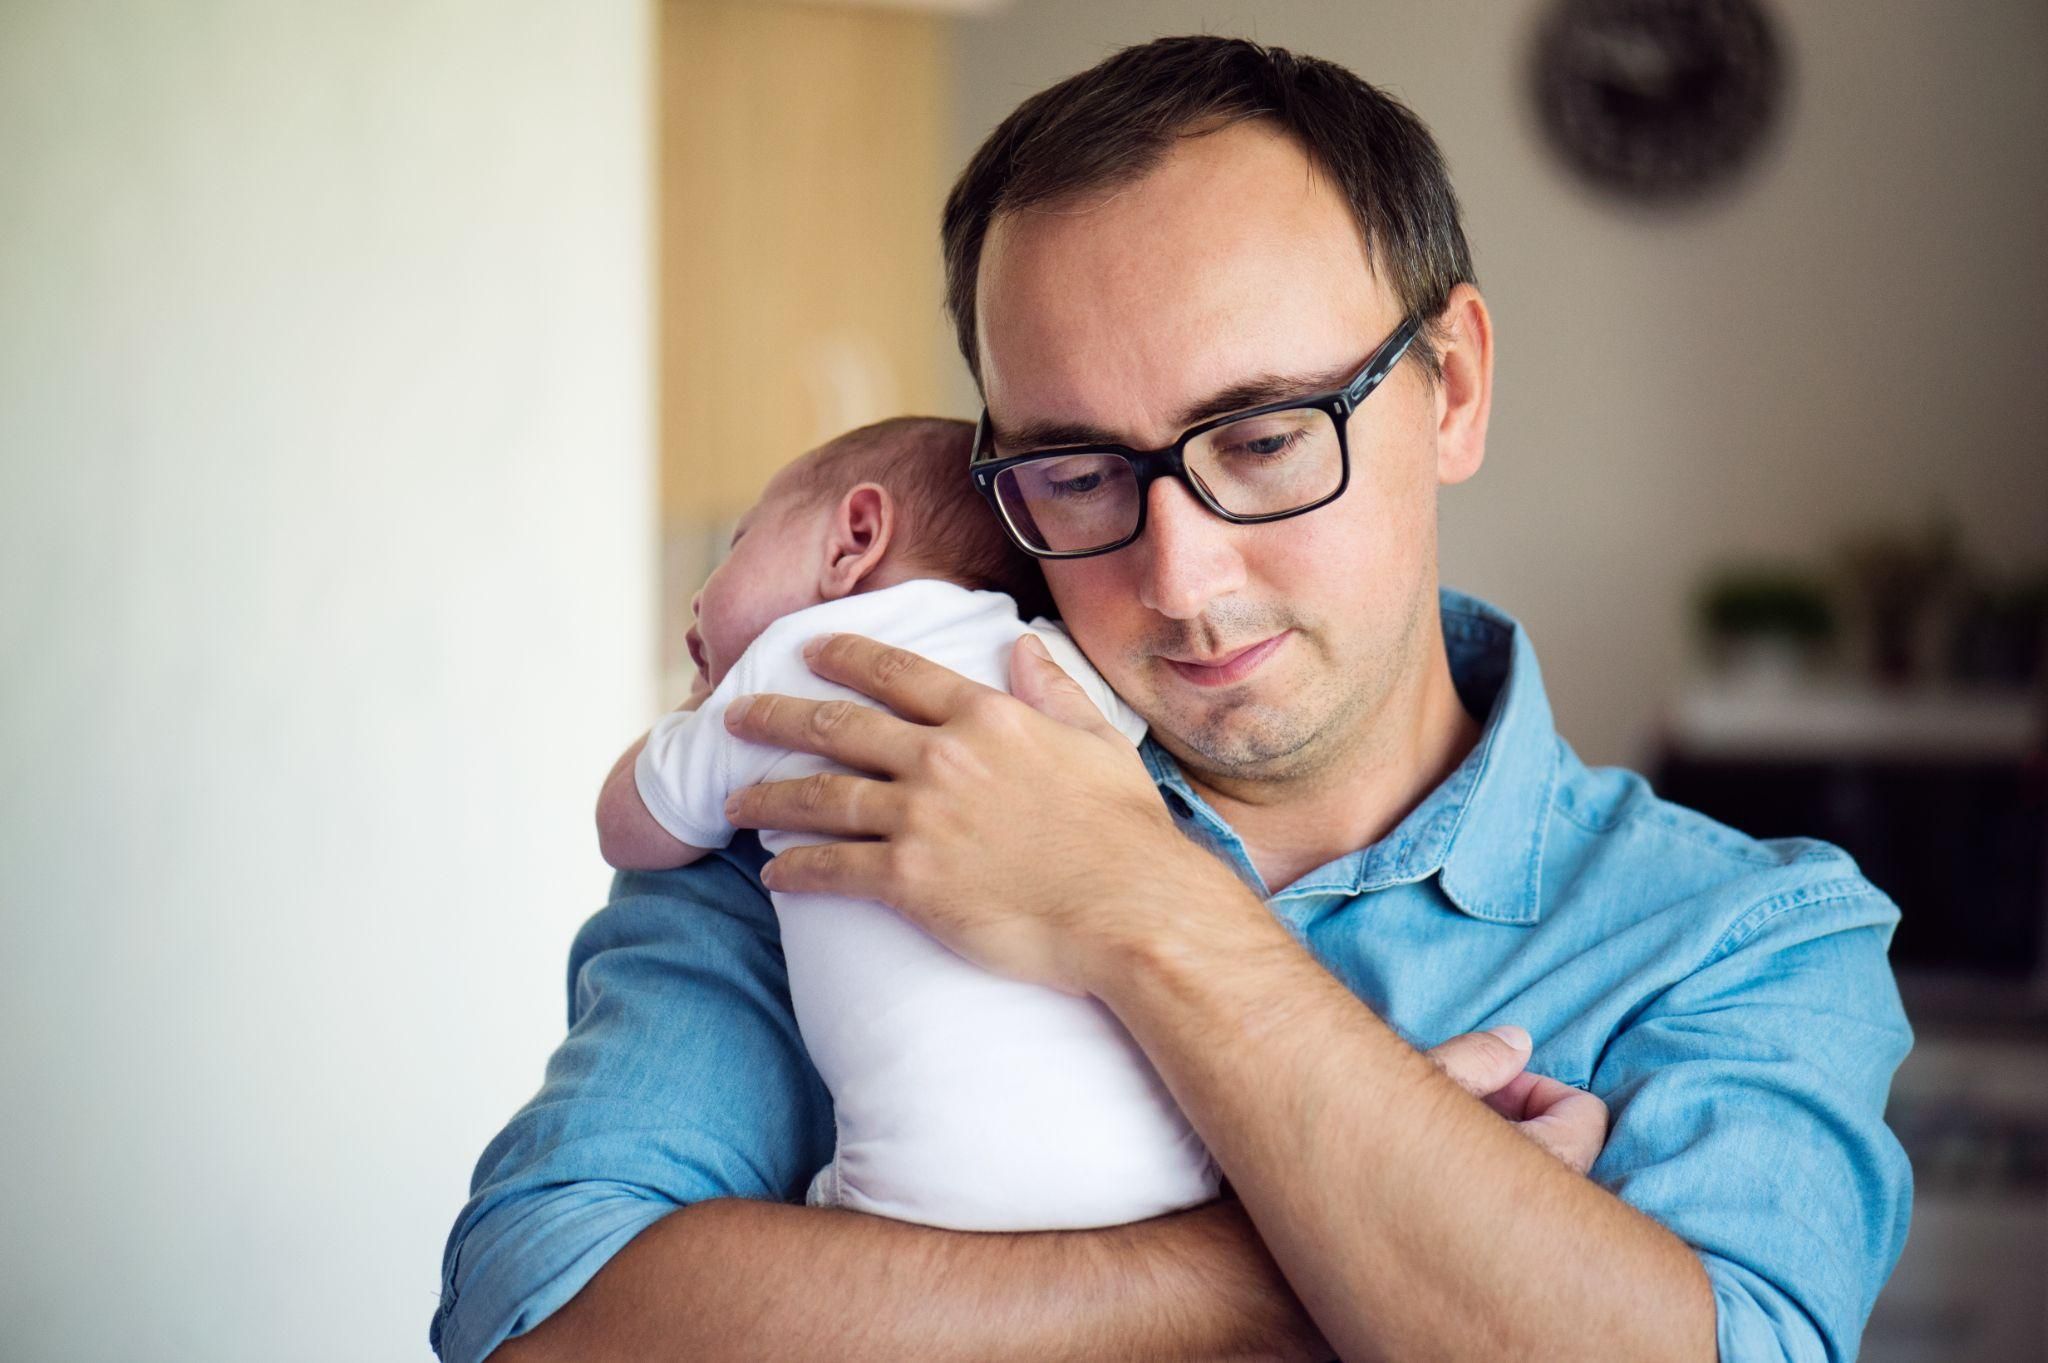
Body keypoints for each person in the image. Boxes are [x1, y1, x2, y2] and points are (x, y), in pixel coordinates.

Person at [435, 36, 1912, 1363]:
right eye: (1077, 474)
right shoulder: (836, 784)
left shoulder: (1736, 940)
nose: (1183, 575)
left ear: (1450, 386)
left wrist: (1145, 907)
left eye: (1265, 440)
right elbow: (541, 1318)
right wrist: (1274, 1263)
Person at [594, 415, 1220, 1232]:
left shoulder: (783, 667)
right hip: (1172, 1169)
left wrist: (692, 713)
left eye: (738, 544)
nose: (698, 593)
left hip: (929, 1193)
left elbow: (629, 826)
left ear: (853, 538)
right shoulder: (1054, 665)